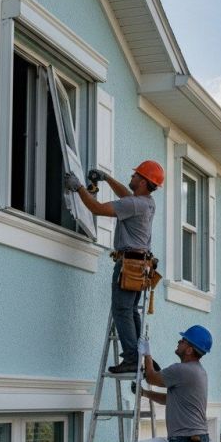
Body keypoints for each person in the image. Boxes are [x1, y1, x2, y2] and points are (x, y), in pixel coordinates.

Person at [65, 160, 164, 374]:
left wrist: (78, 187)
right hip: (141, 265)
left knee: (122, 310)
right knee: (131, 312)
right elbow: (126, 196)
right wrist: (107, 178)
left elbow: (97, 208)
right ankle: (142, 358)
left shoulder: (134, 205)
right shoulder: (146, 202)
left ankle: (131, 358)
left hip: (129, 264)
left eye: (137, 176)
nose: (133, 177)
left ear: (145, 182)